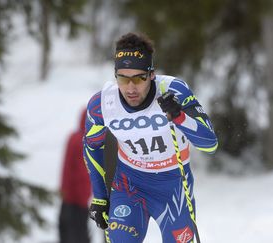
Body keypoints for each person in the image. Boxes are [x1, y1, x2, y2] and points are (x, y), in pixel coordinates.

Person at [83, 32, 218, 243]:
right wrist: (100, 197)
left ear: (151, 74)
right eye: (123, 78)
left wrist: (180, 117)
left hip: (173, 187)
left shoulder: (173, 91)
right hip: (130, 185)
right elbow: (92, 147)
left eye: (138, 78)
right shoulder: (102, 105)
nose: (130, 88)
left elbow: (210, 143)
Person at [59, 109, 91, 243]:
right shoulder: (87, 140)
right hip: (78, 196)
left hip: (72, 195)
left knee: (69, 229)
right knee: (77, 230)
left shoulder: (75, 137)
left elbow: (66, 166)